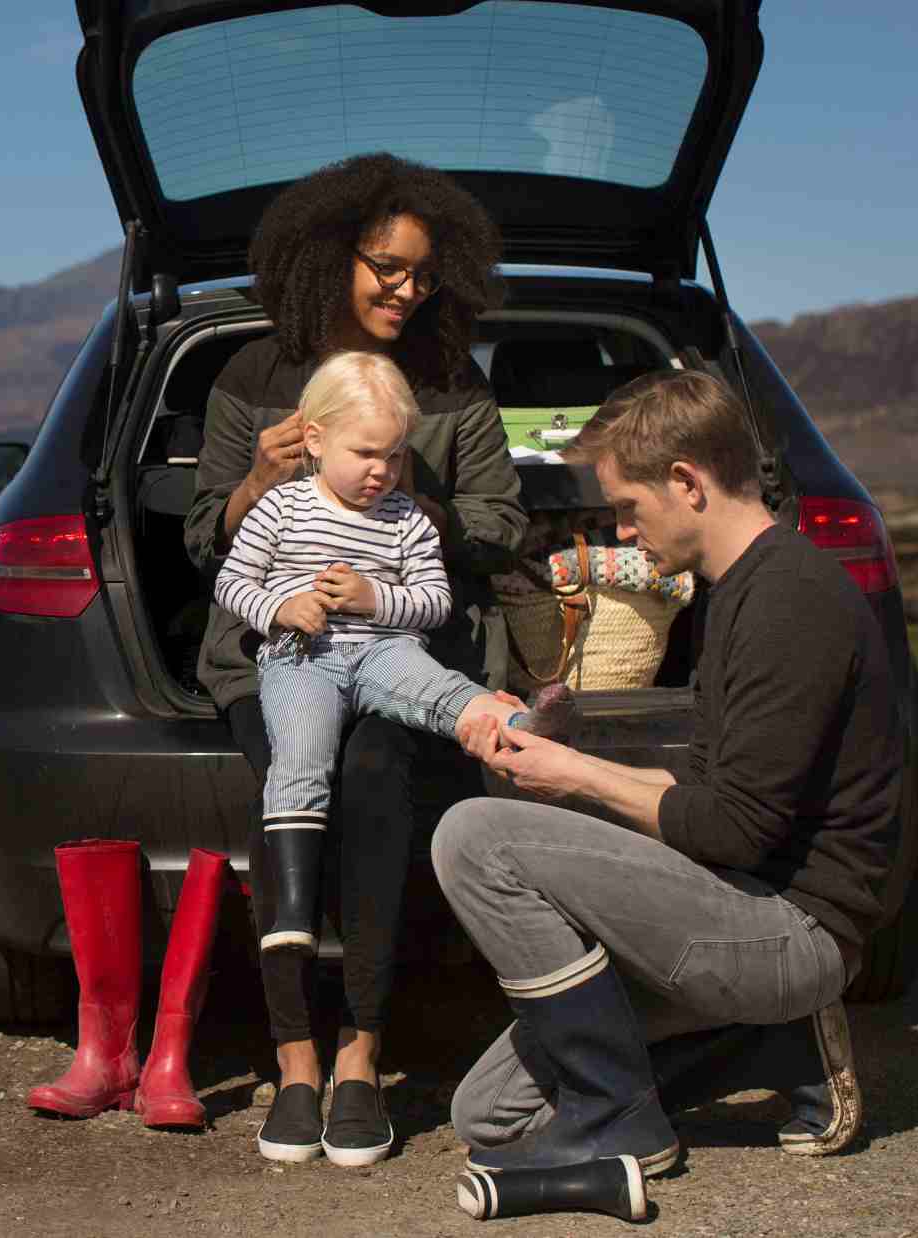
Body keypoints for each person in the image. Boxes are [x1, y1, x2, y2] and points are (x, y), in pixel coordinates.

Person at [435, 369, 904, 1174]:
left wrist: (574, 776)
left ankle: (617, 1117)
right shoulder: (733, 591)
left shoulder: (790, 598)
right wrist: (558, 767)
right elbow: (707, 796)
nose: (622, 533)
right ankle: (776, 1046)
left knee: (473, 837)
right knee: (489, 1115)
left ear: (687, 482)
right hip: (736, 901)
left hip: (795, 930)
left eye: (627, 507)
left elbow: (733, 829)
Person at [183, 152, 527, 1167]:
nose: (407, 289)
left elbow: (502, 523)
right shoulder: (251, 378)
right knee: (292, 782)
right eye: (388, 266)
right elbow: (204, 540)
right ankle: (294, 1061)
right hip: (273, 652)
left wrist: (402, 493)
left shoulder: (450, 382)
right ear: (330, 254)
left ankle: (360, 1056)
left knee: (377, 778)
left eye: (424, 273)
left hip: (401, 644)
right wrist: (260, 478)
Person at [215, 351, 536, 962]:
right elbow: (232, 583)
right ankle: (293, 912)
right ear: (315, 440)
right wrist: (281, 608)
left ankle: (519, 725)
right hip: (300, 657)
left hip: (384, 650)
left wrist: (373, 598)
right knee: (300, 758)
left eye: (394, 456)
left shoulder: (407, 519)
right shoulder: (279, 508)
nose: (381, 471)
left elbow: (434, 603)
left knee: (438, 690)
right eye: (365, 453)